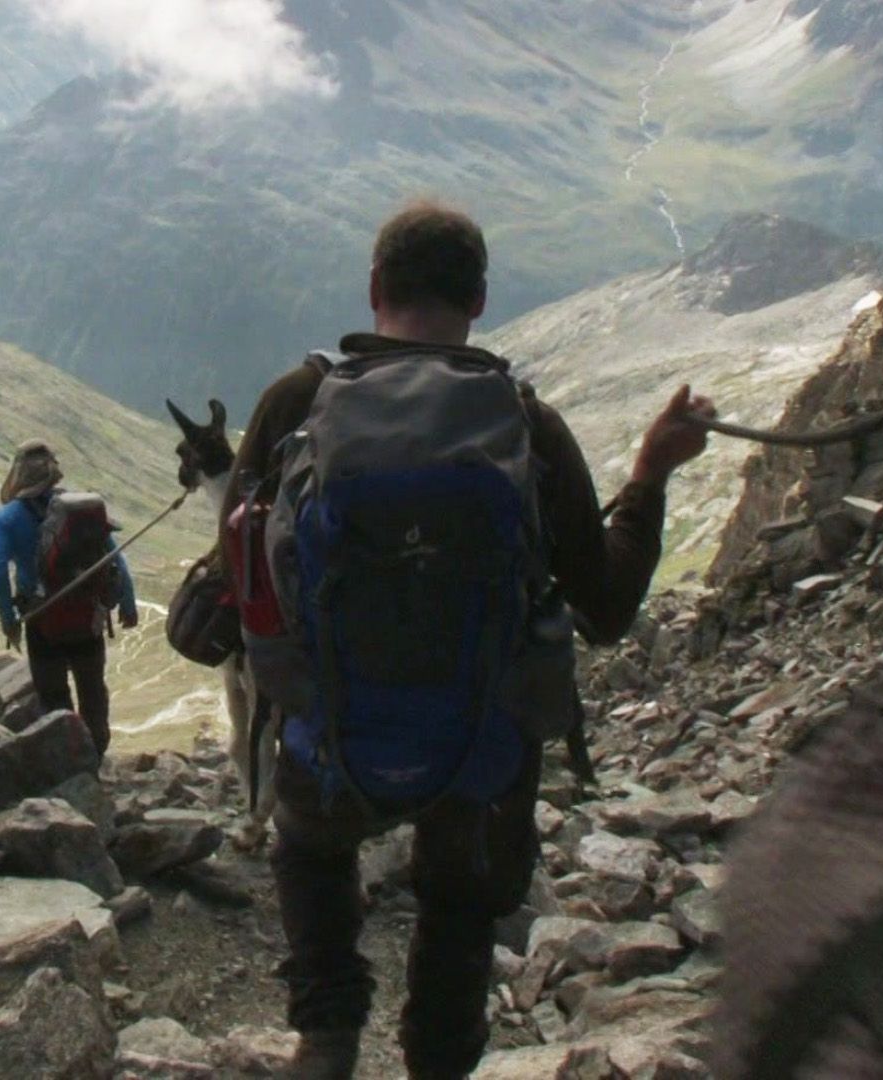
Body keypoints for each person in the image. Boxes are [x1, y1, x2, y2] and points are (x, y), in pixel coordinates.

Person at [225, 202, 715, 1080]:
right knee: (459, 902)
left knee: (310, 845)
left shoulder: (297, 403)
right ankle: (439, 1060)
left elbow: (240, 577)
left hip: (329, 733)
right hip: (478, 753)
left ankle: (327, 1035)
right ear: (480, 299)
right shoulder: (524, 425)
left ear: (373, 289)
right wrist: (650, 474)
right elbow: (605, 608)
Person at [0, 439, 139, 755]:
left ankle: (71, 759)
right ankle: (96, 755)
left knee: (54, 695)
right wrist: (127, 602)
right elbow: (114, 557)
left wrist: (8, 620)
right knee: (93, 691)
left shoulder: (8, 518)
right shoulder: (81, 510)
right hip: (87, 616)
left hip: (42, 620)